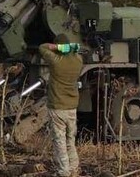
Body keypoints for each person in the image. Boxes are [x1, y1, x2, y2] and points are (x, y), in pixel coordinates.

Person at [39, 34, 84, 177]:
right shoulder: (78, 60)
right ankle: (74, 168)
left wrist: (57, 47)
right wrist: (69, 47)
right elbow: (76, 52)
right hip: (72, 107)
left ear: (59, 47)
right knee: (70, 139)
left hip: (57, 106)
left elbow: (42, 47)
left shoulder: (56, 61)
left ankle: (64, 171)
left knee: (59, 141)